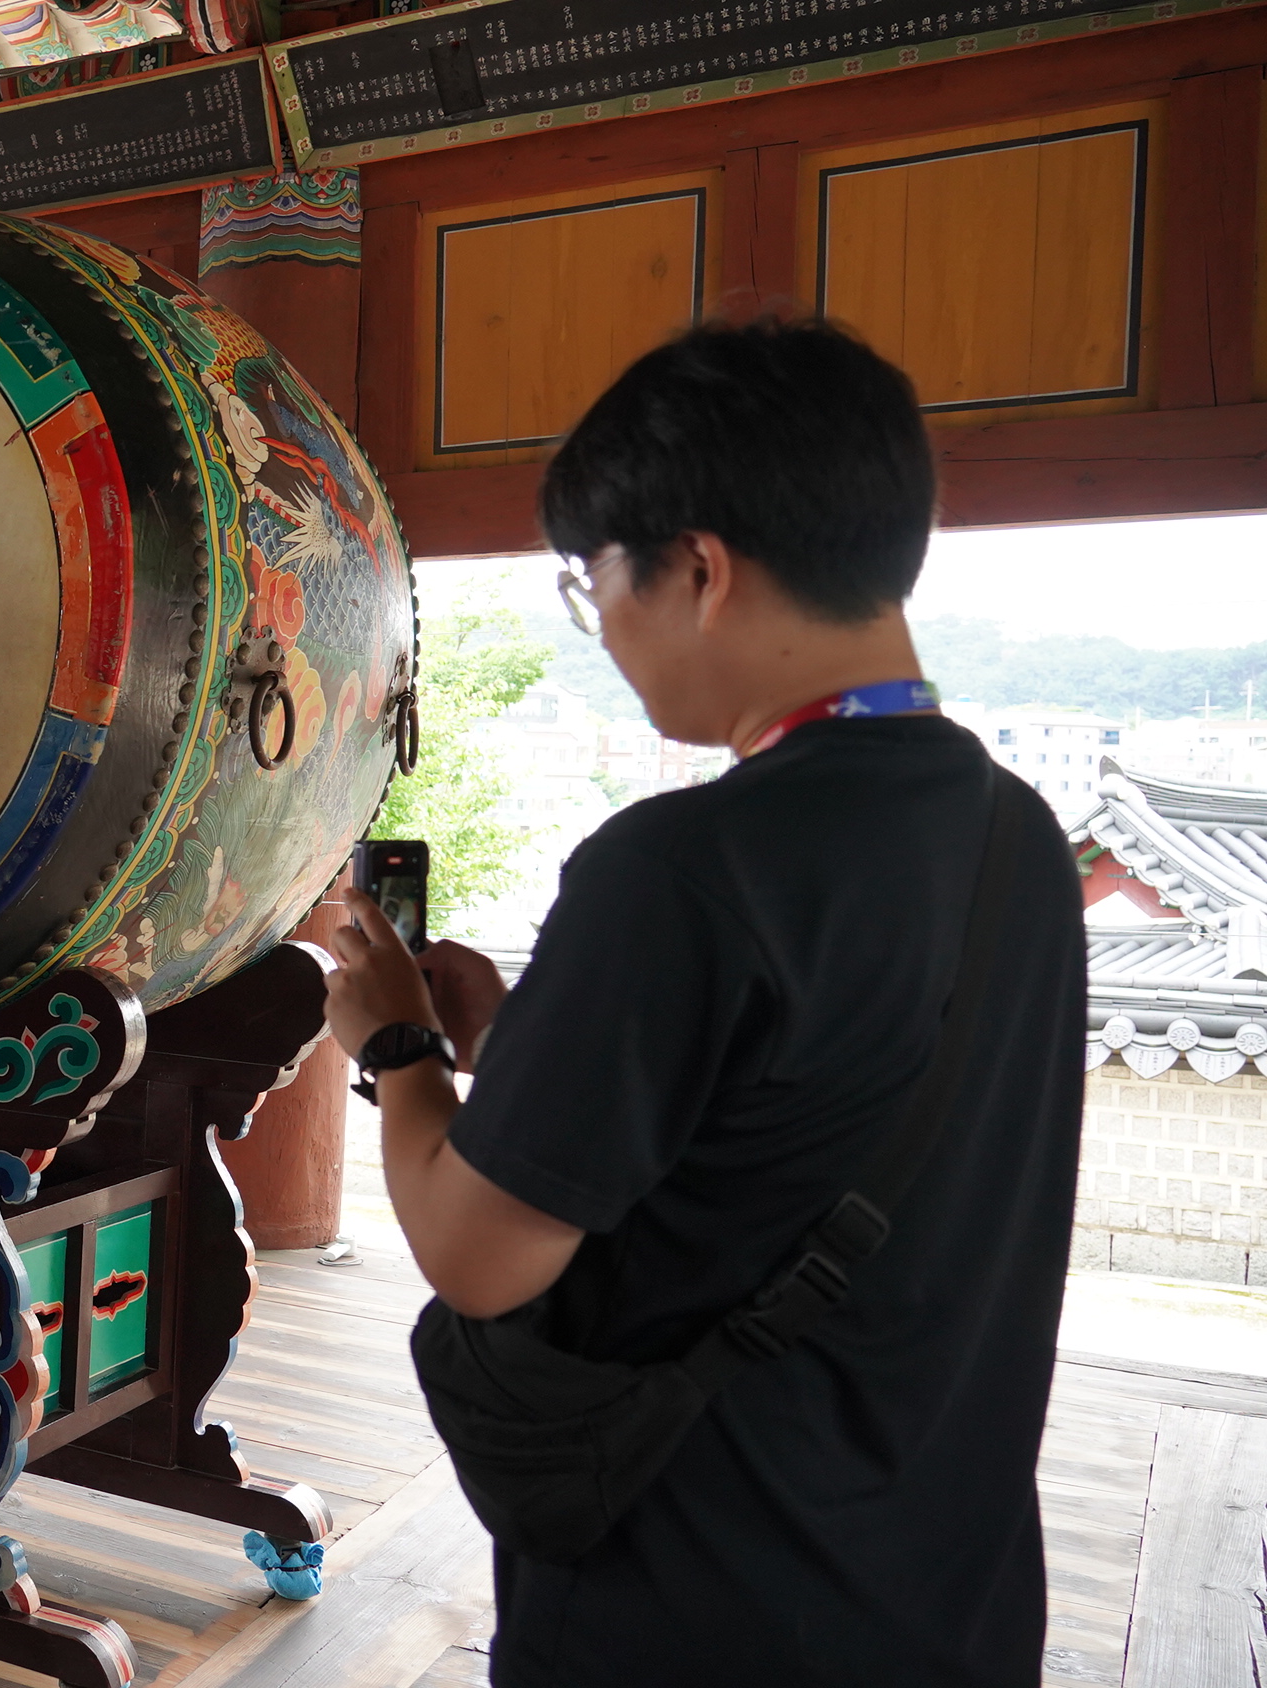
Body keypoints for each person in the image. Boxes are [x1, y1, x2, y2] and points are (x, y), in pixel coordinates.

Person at [322, 319, 1083, 1686]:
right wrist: (517, 1046)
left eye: (593, 582)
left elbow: (477, 1254)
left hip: (697, 1597)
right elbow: (800, 1113)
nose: (601, 627)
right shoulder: (1017, 837)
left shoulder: (681, 868)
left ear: (700, 569)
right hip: (943, 1591)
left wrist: (397, 1042)